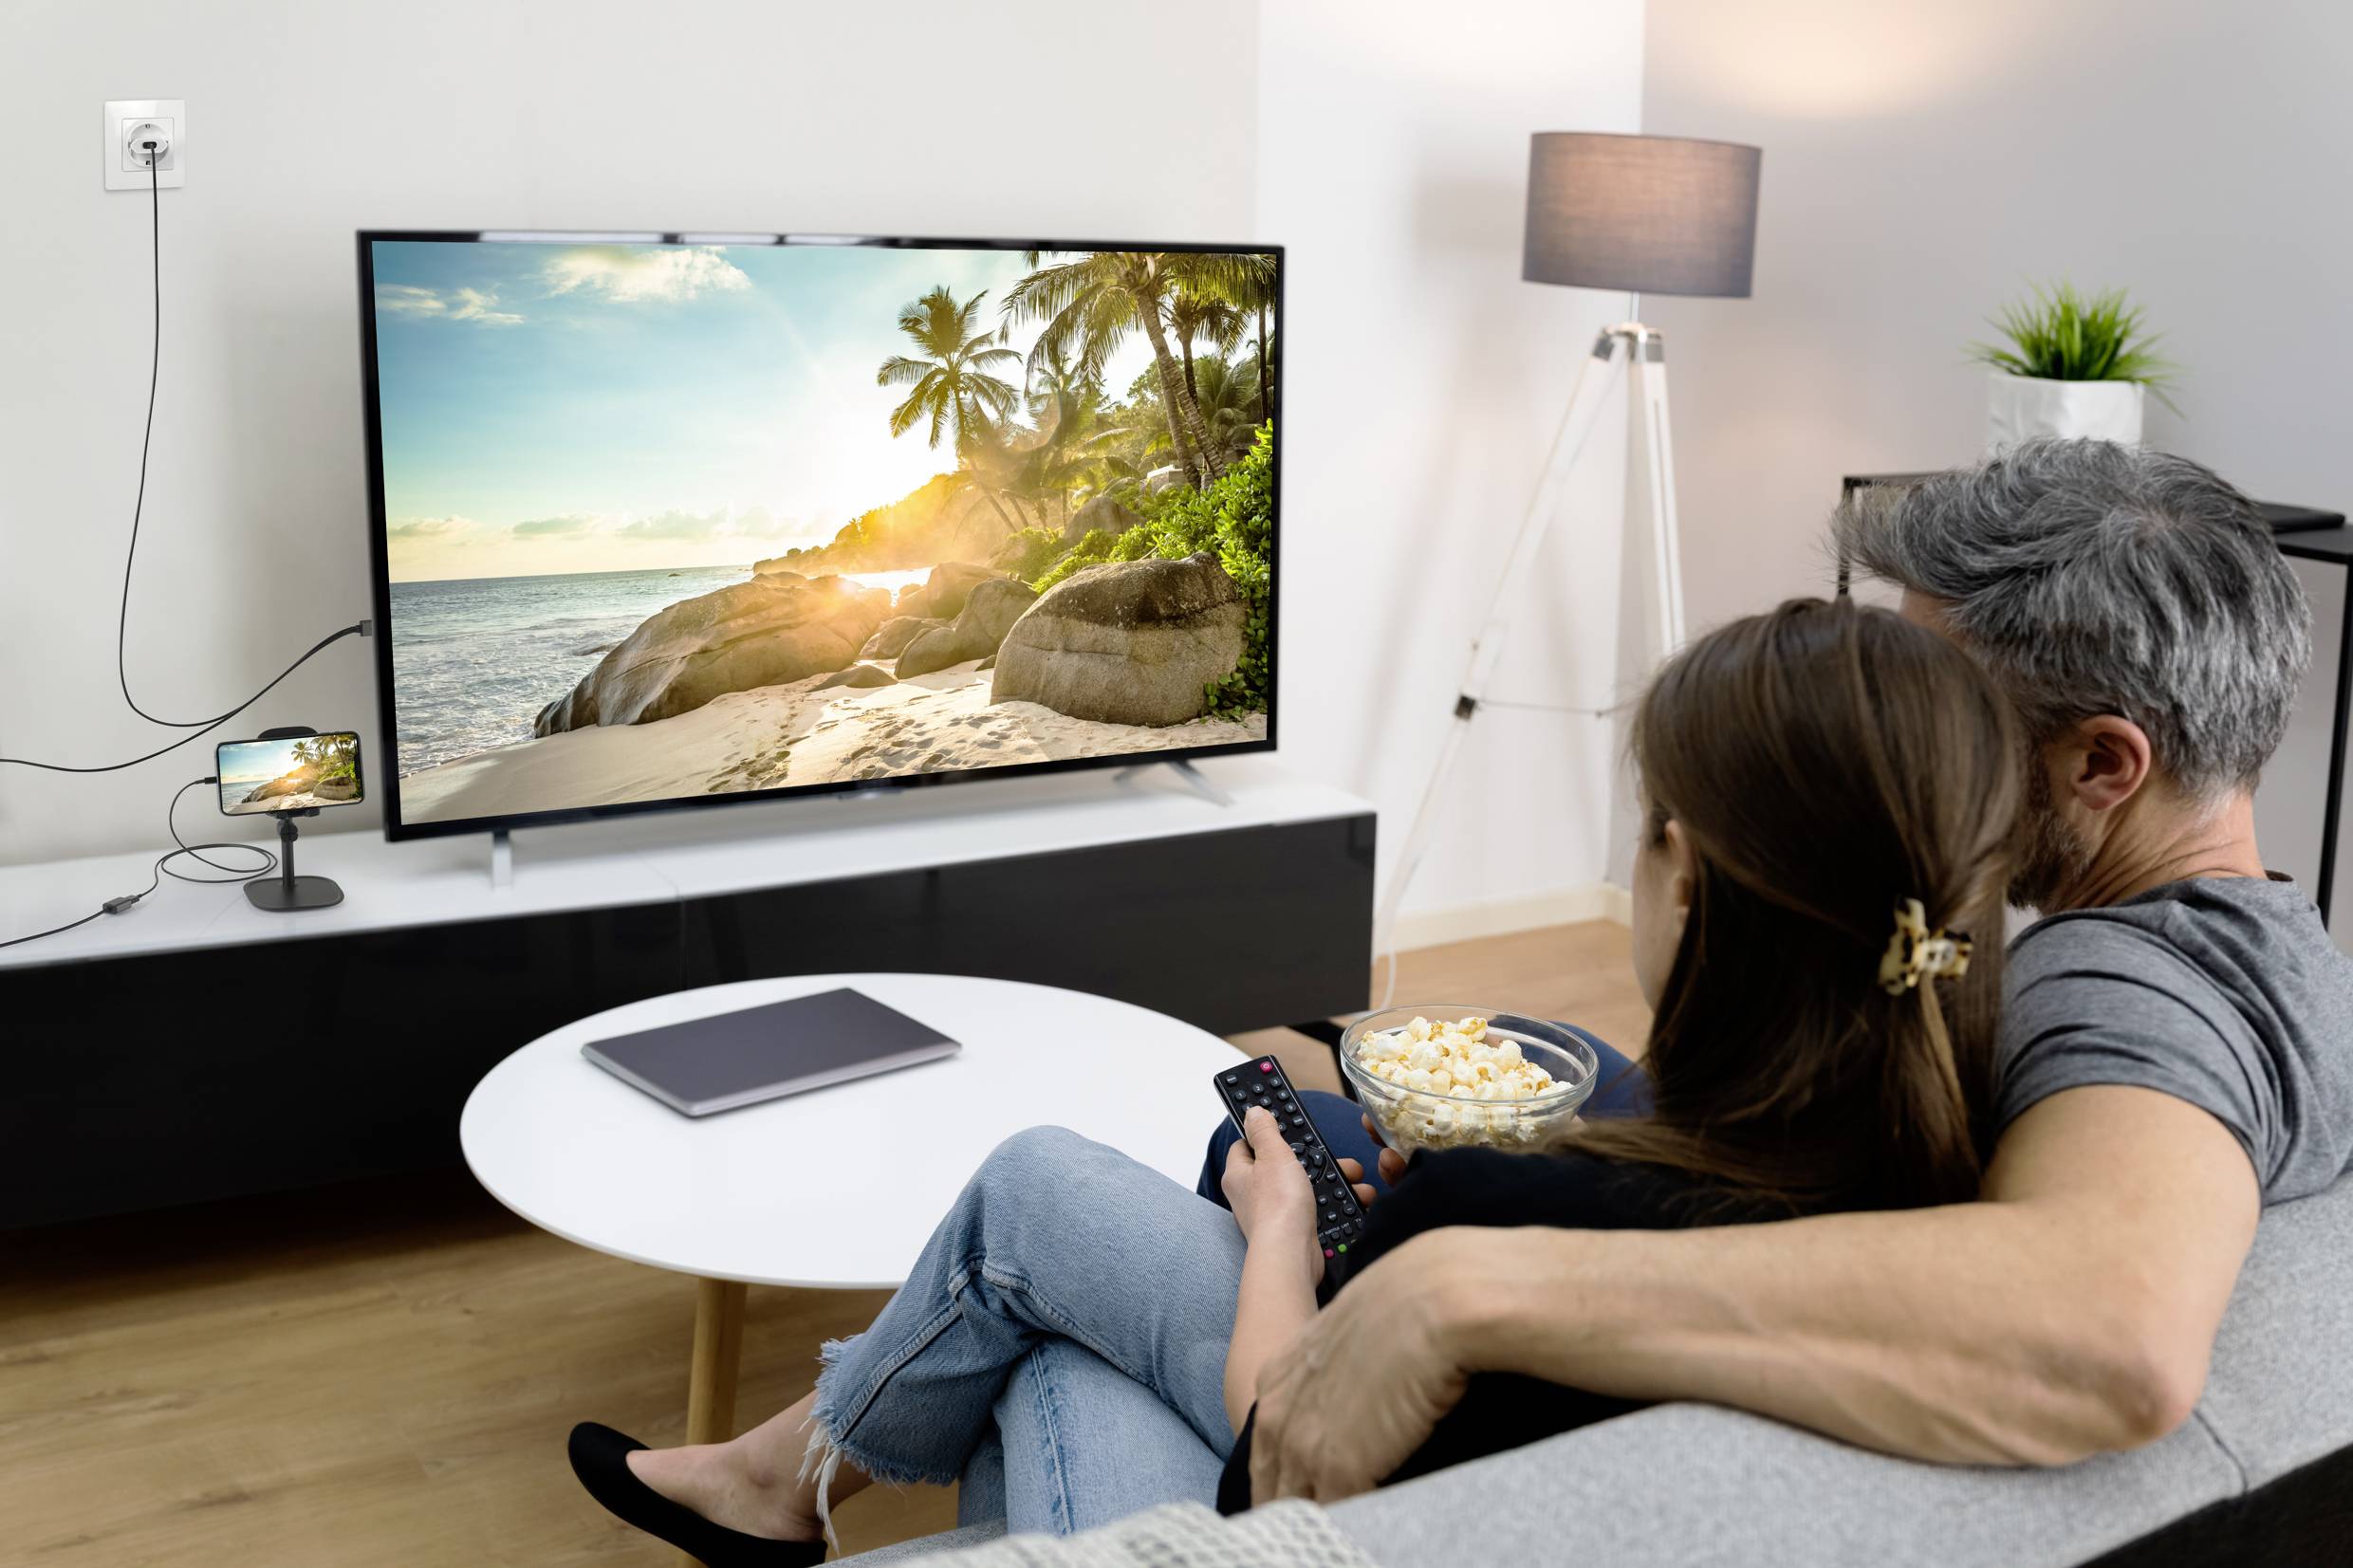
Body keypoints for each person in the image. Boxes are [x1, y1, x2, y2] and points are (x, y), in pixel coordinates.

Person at [565, 596, 2022, 1562]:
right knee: (1038, 1188)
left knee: (1059, 1328)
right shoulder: (1978, 1153)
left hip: (1323, 1522)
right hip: (1466, 1482)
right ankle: (776, 1480)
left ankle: (781, 1489)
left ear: (1686, 879)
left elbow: (1287, 1436)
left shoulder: (1524, 1204)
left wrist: (1279, 1225)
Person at [1242, 439, 2353, 1507]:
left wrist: (1464, 1281)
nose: (1880, 727)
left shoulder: (2114, 993)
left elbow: (2118, 1328)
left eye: (1934, 709)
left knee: (1122, 1189)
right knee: (1520, 1084)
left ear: (2101, 763)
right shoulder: (2274, 945)